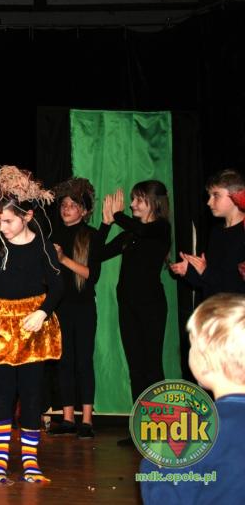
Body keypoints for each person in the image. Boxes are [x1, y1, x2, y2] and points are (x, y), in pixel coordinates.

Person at [0, 165, 63, 484]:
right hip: (1, 325)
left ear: (28, 216)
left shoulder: (42, 245)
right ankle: (0, 460)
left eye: (7, 221)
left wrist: (43, 312)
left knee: (32, 394)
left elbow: (58, 285)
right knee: (2, 394)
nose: (1, 226)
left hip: (32, 325)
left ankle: (30, 460)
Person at [140, 293, 245, 504]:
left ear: (204, 360)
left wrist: (155, 461)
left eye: (192, 346)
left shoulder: (194, 430)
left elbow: (165, 494)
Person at [99, 180, 172, 437]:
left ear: (154, 202)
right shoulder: (130, 234)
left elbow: (143, 230)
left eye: (139, 200)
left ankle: (160, 427)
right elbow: (97, 254)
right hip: (128, 307)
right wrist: (106, 223)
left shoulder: (160, 228)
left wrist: (118, 215)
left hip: (151, 306)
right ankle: (141, 430)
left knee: (152, 366)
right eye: (133, 199)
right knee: (136, 368)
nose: (132, 204)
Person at [47, 177, 103, 439]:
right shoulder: (54, 236)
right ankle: (68, 418)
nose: (66, 209)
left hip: (83, 308)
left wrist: (63, 259)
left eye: (72, 205)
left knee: (83, 362)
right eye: (63, 205)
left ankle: (87, 420)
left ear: (84, 210)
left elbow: (92, 275)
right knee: (64, 362)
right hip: (60, 308)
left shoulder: (91, 236)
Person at [170, 169, 245, 297]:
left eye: (216, 195)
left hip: (235, 308)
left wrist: (205, 271)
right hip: (213, 306)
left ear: (236, 195)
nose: (209, 202)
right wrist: (189, 272)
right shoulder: (217, 231)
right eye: (209, 196)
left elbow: (238, 287)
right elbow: (210, 282)